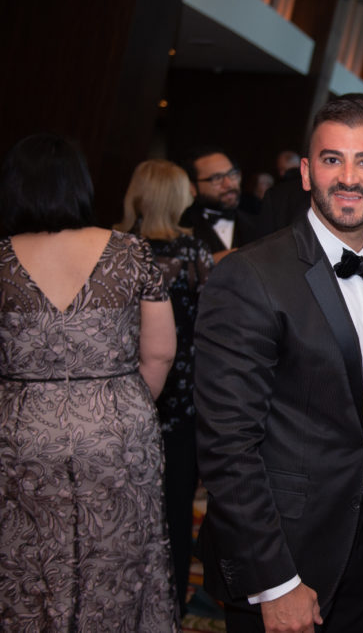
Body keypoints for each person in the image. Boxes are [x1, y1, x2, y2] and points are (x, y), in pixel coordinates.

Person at [194, 97, 363, 633]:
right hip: (282, 553)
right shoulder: (250, 275)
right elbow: (227, 445)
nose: (349, 178)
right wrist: (275, 581)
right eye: (333, 159)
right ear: (308, 172)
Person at [0, 134, 179, 630]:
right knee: (122, 559)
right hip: (116, 430)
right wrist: (117, 408)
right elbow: (161, 352)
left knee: (26, 562)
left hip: (22, 435)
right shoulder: (131, 252)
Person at [116, 158, 216, 616]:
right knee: (175, 509)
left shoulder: (113, 248)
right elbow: (211, 324)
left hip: (120, 395)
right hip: (180, 399)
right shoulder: (193, 252)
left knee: (117, 508)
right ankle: (169, 608)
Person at [180, 146, 259, 261]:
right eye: (217, 178)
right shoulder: (179, 228)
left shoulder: (258, 222)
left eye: (232, 174)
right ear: (192, 187)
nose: (228, 184)